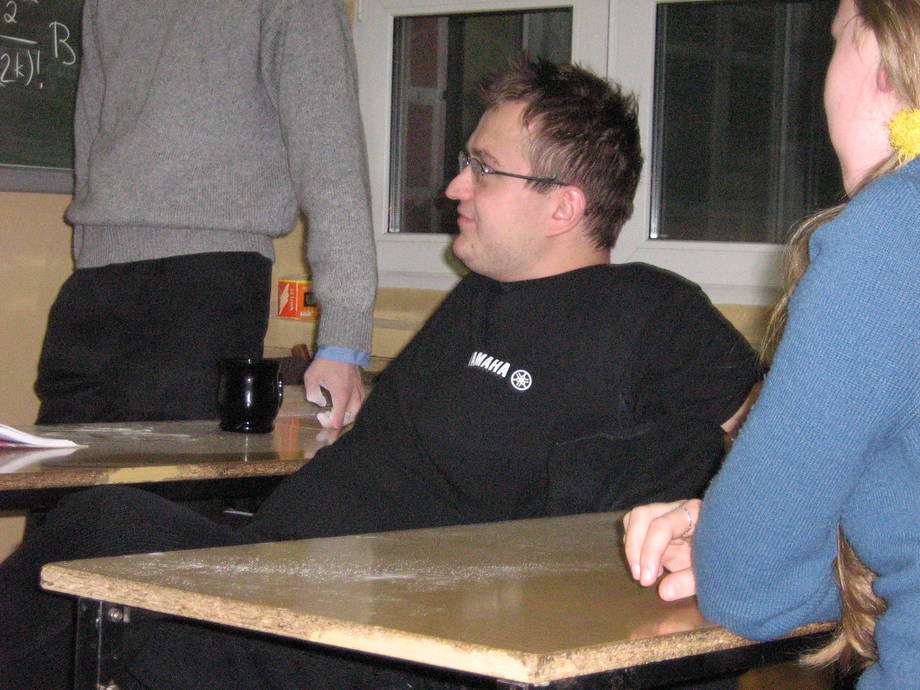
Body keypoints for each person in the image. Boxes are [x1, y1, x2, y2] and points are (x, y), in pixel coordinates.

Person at [1, 56, 760, 688]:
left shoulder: (648, 308)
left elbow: (774, 432)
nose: (455, 187)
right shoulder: (479, 296)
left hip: (376, 629)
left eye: (483, 170)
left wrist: (708, 524)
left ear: (562, 208)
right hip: (281, 570)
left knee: (105, 538)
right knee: (102, 527)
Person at [622, 1, 919, 687]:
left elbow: (752, 591)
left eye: (837, 40)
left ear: (882, 55)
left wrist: (732, 542)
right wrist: (730, 533)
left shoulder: (891, 235)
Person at [34, 0, 377, 430]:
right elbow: (91, 131)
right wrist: (89, 257)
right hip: (95, 289)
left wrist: (343, 340)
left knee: (169, 472)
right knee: (62, 469)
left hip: (204, 286)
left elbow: (331, 156)